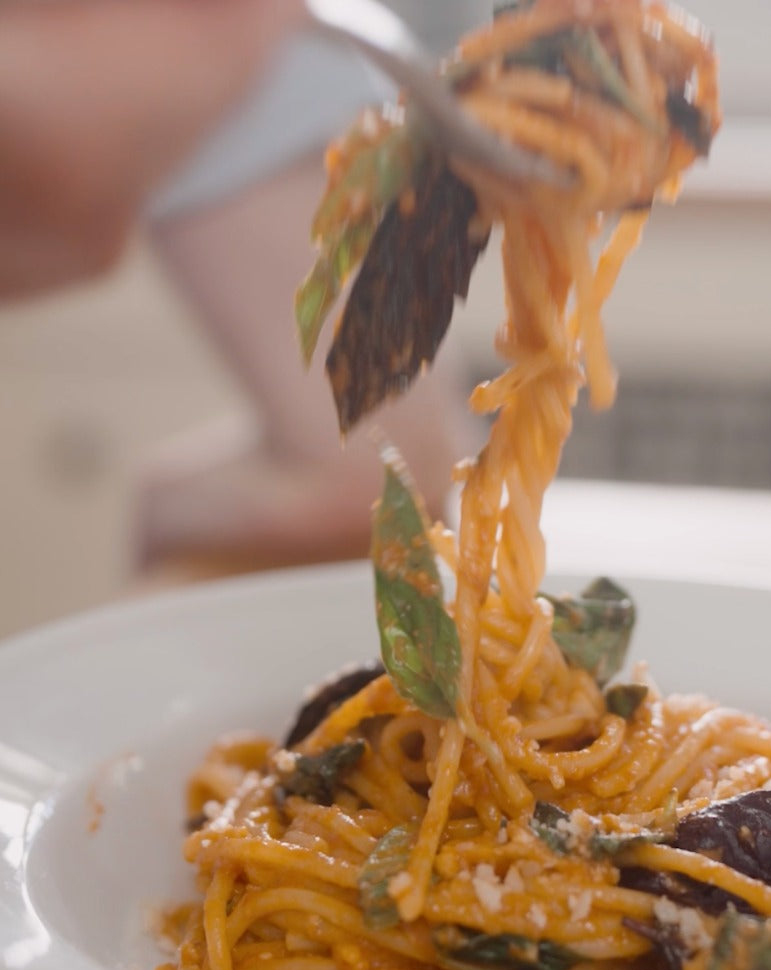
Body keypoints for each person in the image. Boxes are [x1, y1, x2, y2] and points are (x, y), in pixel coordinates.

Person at [1, 0, 488, 574]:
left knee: (406, 470)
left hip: (267, 55)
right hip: (223, 47)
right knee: (388, 475)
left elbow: (72, 232)